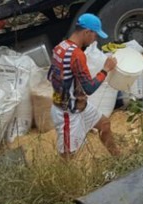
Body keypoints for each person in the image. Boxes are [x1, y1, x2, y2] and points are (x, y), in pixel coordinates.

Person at [48, 13, 120, 156]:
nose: (95, 39)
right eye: (95, 35)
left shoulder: (60, 47)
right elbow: (89, 88)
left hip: (79, 104)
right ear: (87, 32)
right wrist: (105, 69)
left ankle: (119, 159)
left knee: (104, 124)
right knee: (68, 155)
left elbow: (51, 75)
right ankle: (65, 178)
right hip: (68, 112)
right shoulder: (77, 55)